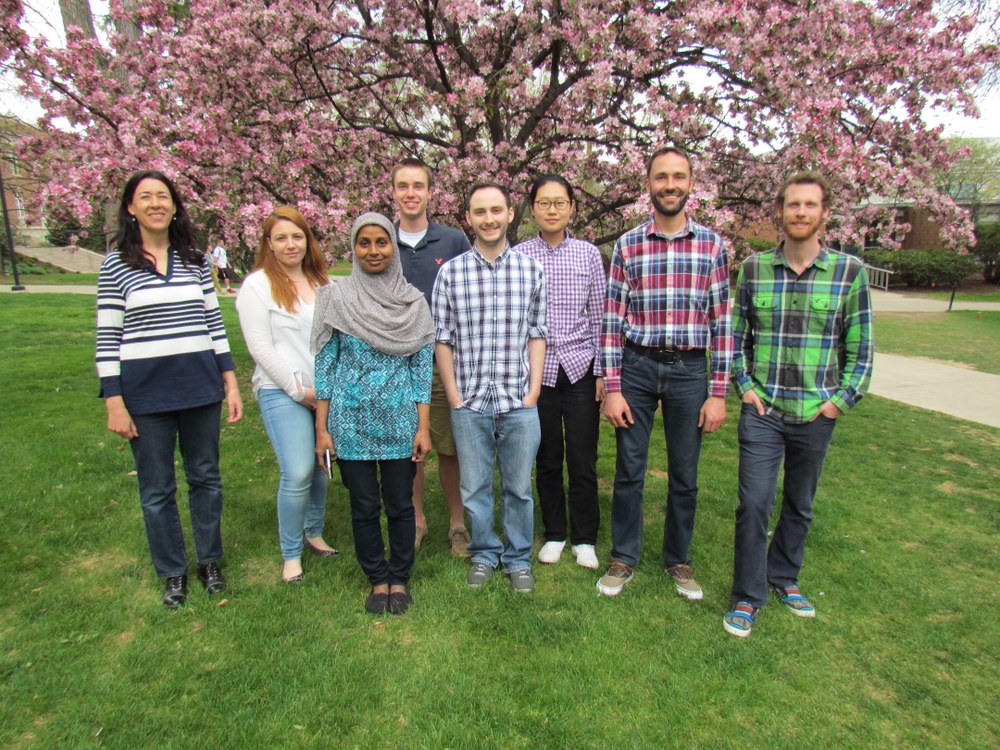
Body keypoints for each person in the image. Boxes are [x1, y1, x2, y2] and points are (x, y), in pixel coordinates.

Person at [723, 172, 874, 637]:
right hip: (764, 410)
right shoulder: (753, 269)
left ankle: (784, 577)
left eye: (810, 205)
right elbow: (733, 339)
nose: (801, 213)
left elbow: (862, 351)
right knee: (754, 502)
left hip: (815, 412)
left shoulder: (849, 273)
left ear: (824, 213)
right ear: (780, 213)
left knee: (800, 502)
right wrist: (745, 386)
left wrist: (836, 403)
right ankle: (747, 596)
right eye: (793, 205)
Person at [96, 169, 243, 607]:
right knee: (157, 488)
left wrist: (230, 383)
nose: (156, 203)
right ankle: (173, 571)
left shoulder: (194, 260)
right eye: (146, 197)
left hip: (199, 389)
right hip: (146, 396)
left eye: (164, 196)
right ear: (131, 207)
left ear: (175, 206)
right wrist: (114, 401)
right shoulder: (116, 264)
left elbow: (214, 326)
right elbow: (107, 337)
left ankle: (209, 561)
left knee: (206, 478)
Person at [598, 146, 732, 598]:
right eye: (661, 177)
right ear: (649, 183)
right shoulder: (628, 244)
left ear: (691, 183)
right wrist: (612, 387)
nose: (669, 185)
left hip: (689, 371)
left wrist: (719, 392)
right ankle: (624, 557)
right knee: (629, 470)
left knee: (685, 474)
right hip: (636, 366)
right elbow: (612, 319)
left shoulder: (712, 245)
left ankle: (679, 559)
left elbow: (722, 324)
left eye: (678, 177)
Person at [312, 212, 433, 615]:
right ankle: (376, 579)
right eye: (364, 243)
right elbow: (325, 367)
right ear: (353, 248)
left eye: (382, 242)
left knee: (400, 504)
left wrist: (423, 425)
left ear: (393, 248)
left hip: (400, 421)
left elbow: (421, 369)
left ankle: (399, 577)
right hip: (349, 422)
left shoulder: (412, 302)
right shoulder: (336, 297)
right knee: (363, 505)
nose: (373, 250)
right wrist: (322, 427)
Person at [432, 183, 547, 592]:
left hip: (518, 399)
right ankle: (484, 552)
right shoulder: (451, 273)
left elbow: (537, 333)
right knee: (475, 485)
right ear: (470, 217)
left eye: (496, 210)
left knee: (518, 486)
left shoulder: (531, 271)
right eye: (480, 211)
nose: (489, 219)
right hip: (470, 399)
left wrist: (533, 391)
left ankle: (518, 558)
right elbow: (442, 339)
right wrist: (454, 394)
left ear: (510, 213)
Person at [236, 206, 338, 584]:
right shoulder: (258, 286)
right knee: (297, 471)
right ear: (269, 244)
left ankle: (314, 533)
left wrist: (327, 392)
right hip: (282, 391)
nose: (290, 244)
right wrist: (300, 390)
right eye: (281, 237)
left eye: (297, 236)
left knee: (321, 467)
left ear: (307, 240)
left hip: (325, 393)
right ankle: (290, 554)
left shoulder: (324, 283)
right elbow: (261, 348)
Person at [513, 174, 604, 570]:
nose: (552, 210)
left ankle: (584, 537)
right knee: (547, 456)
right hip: (538, 371)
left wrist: (603, 371)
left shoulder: (587, 254)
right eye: (544, 203)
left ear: (571, 208)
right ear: (532, 208)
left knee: (582, 457)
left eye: (560, 202)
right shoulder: (519, 255)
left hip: (580, 366)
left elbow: (601, 315)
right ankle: (554, 533)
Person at [391, 157, 472, 556]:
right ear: (394, 192)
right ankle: (417, 520)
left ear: (429, 192)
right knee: (409, 449)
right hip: (395, 363)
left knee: (448, 446)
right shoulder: (380, 240)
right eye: (403, 186)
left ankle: (458, 524)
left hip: (442, 361)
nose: (410, 193)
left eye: (418, 185)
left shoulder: (454, 241)